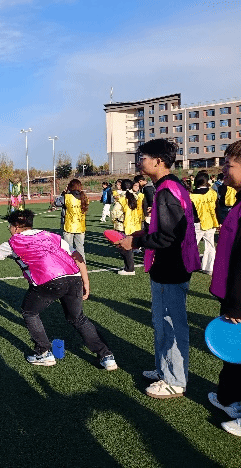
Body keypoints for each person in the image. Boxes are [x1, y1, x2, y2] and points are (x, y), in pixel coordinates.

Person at [0, 209, 117, 370]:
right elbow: (77, 256)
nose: (9, 230)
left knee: (29, 312)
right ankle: (106, 356)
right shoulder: (50, 235)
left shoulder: (13, 243)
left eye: (9, 226)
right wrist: (85, 281)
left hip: (48, 281)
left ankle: (43, 352)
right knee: (78, 318)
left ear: (16, 227)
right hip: (74, 278)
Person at [117, 139, 200, 399]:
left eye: (143, 157)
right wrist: (144, 234)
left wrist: (136, 242)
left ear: (158, 161)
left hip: (170, 268)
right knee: (163, 322)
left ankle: (174, 380)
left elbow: (169, 237)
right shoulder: (172, 186)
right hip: (172, 265)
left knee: (170, 324)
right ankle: (165, 369)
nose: (139, 161)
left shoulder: (166, 191)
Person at [206, 140, 241, 436]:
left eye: (229, 165)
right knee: (235, 354)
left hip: (239, 298)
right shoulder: (239, 200)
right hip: (233, 293)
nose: (224, 170)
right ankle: (228, 398)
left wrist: (236, 304)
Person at [190, 172, 219, 275]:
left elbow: (190, 212)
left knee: (191, 245)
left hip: (197, 223)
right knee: (210, 246)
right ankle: (209, 268)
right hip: (211, 222)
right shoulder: (212, 193)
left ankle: (189, 265)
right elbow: (217, 208)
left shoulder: (192, 196)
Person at [114, 179, 144, 276]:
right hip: (134, 225)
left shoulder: (122, 198)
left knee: (123, 247)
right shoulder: (137, 197)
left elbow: (115, 213)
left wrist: (115, 220)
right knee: (128, 247)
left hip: (122, 226)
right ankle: (129, 267)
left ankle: (129, 269)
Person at [56, 179, 88, 261]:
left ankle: (69, 265)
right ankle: (82, 264)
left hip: (69, 225)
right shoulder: (84, 197)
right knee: (80, 248)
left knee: (68, 248)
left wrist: (63, 193)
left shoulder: (67, 197)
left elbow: (57, 202)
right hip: (80, 226)